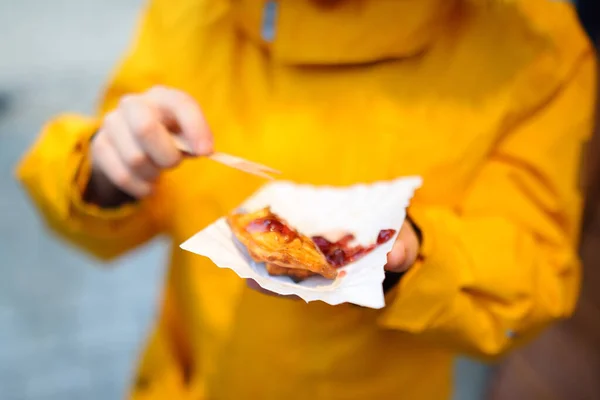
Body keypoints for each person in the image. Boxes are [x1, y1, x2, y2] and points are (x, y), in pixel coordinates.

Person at [16, 0, 596, 399]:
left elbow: (534, 272)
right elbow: (105, 212)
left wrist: (410, 260)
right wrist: (105, 171)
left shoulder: (531, 47)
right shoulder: (198, 14)